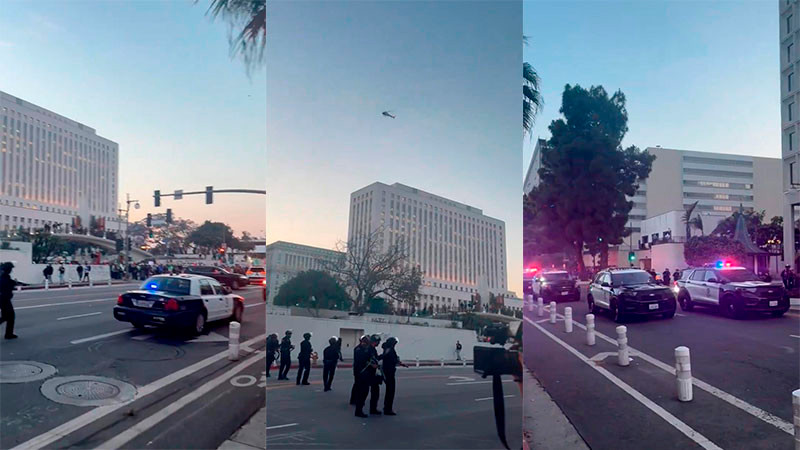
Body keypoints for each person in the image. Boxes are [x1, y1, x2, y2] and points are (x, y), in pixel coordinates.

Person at [381, 337, 407, 415]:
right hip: (389, 372)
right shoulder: (390, 350)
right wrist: (398, 361)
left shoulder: (387, 349)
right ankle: (388, 409)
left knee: (389, 390)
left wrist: (400, 363)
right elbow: (393, 359)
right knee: (390, 391)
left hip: (388, 371)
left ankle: (387, 407)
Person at [352, 335, 372, 417]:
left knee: (359, 389)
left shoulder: (358, 349)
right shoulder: (361, 350)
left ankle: (358, 406)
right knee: (363, 392)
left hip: (359, 372)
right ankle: (358, 410)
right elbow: (363, 361)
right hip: (362, 373)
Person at [364, 334, 384, 415]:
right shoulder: (369, 349)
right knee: (371, 392)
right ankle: (372, 409)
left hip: (372, 373)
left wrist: (382, 356)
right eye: (378, 342)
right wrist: (373, 365)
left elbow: (374, 359)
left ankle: (373, 408)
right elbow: (366, 360)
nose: (379, 343)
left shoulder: (372, 349)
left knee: (375, 392)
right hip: (370, 373)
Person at [0, 262, 20, 339]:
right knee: (10, 316)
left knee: (5, 316)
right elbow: (7, 286)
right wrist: (13, 283)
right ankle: (8, 334)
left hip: (3, 299)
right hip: (4, 299)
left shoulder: (5, 277)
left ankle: (9, 334)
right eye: (11, 269)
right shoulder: (4, 277)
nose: (11, 270)